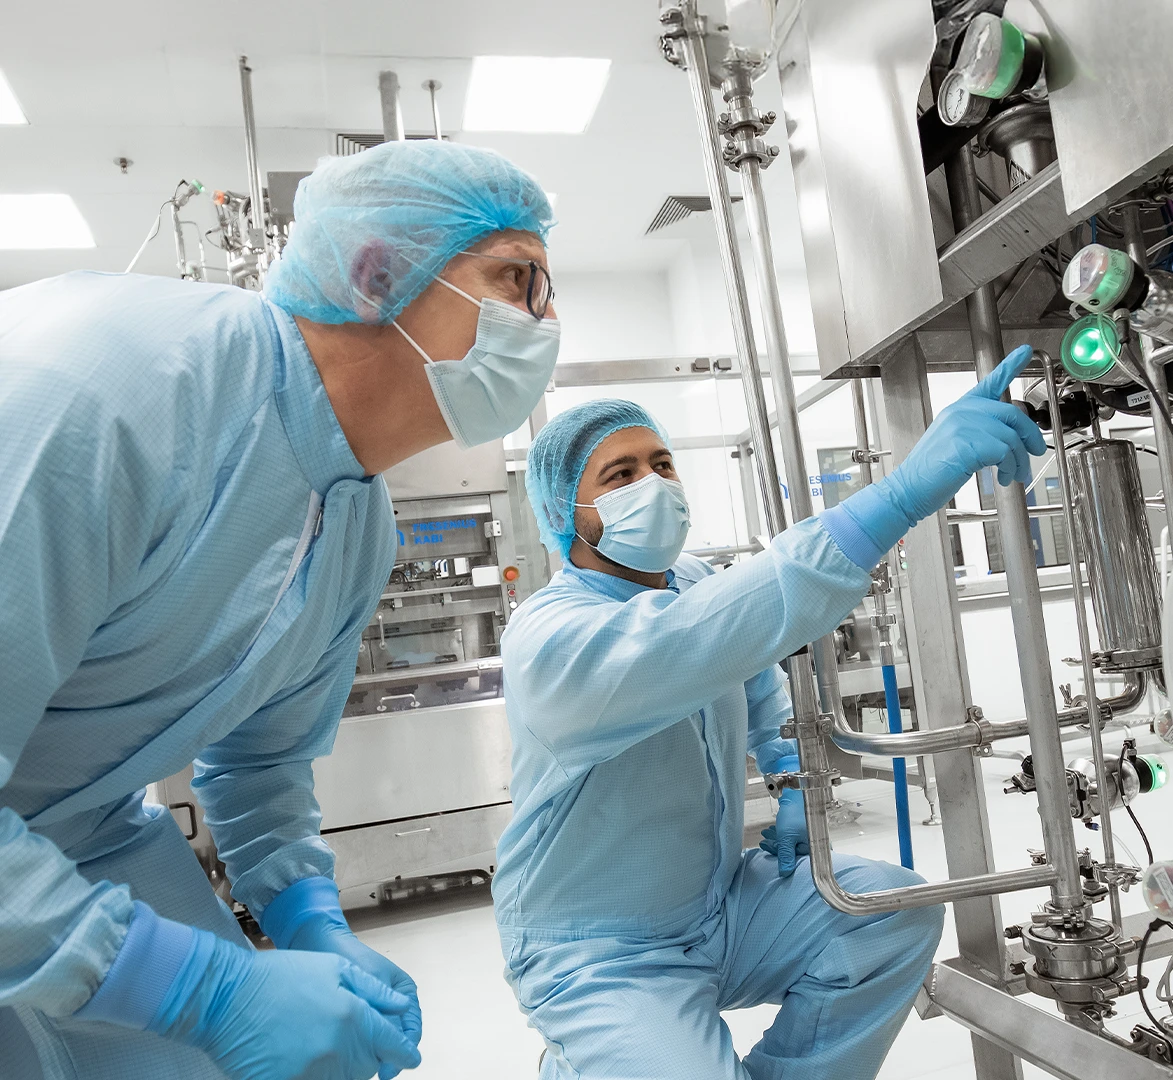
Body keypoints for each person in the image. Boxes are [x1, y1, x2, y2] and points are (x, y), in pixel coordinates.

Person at [0, 139, 559, 1080]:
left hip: (73, 835)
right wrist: (201, 991)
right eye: (518, 280)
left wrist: (307, 918)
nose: (545, 323)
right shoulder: (102, 393)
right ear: (377, 274)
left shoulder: (354, 517)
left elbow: (260, 755)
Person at [494, 345, 1045, 1080]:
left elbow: (751, 673)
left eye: (661, 464)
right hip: (601, 947)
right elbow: (693, 640)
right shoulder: (551, 637)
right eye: (619, 476)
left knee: (890, 908)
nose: (652, 485)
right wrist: (902, 493)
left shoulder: (687, 579)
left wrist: (787, 774)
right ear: (566, 511)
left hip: (718, 901)